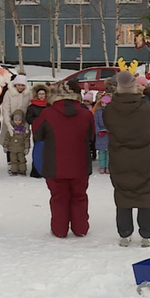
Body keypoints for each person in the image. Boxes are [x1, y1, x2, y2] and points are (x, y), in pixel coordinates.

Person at [104, 71, 150, 247]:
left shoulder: (110, 109)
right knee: (145, 195)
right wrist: (147, 89)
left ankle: (124, 235)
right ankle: (146, 235)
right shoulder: (145, 108)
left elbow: (107, 123)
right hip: (144, 158)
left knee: (123, 195)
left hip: (119, 158)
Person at [32, 81, 95, 238]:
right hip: (80, 163)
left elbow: (38, 134)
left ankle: (59, 230)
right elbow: (91, 136)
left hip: (54, 165)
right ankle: (80, 228)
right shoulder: (86, 114)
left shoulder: (48, 114)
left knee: (59, 198)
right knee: (79, 196)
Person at [0, 73, 32, 165]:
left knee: (21, 141)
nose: (20, 87)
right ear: (15, 84)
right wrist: (9, 124)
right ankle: (10, 162)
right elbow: (6, 109)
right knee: (10, 141)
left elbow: (29, 108)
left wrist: (26, 123)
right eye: (19, 85)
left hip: (23, 122)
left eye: (22, 85)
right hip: (10, 121)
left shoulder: (28, 94)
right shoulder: (9, 93)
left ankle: (20, 162)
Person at [26, 84, 49, 177]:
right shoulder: (32, 106)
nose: (41, 96)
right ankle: (36, 170)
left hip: (47, 131)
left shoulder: (49, 105)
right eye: (40, 94)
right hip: (37, 130)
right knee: (37, 150)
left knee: (47, 150)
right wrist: (37, 121)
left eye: (43, 94)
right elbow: (28, 118)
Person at [3, 110, 30, 176]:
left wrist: (27, 147)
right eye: (16, 120)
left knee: (22, 160)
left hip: (21, 148)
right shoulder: (11, 129)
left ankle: (22, 170)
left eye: (19, 120)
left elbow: (26, 140)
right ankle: (14, 171)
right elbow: (7, 139)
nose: (17, 122)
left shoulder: (24, 130)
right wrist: (5, 146)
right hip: (12, 148)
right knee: (13, 160)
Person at [94, 94, 111, 174]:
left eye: (106, 103)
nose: (104, 105)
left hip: (109, 134)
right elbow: (95, 122)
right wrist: (98, 131)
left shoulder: (112, 112)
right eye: (103, 103)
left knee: (109, 152)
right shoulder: (98, 112)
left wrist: (111, 130)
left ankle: (108, 166)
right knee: (101, 152)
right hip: (100, 134)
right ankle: (102, 166)